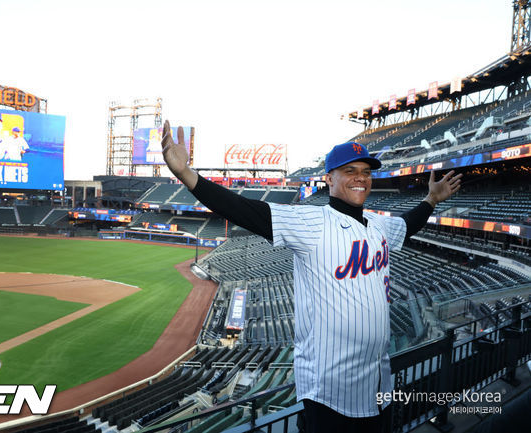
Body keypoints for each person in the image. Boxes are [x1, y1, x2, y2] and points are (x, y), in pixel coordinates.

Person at [160, 120, 461, 433]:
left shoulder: (379, 224)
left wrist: (431, 201)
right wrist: (187, 175)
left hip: (378, 384)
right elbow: (244, 210)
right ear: (329, 179)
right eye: (350, 171)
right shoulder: (313, 223)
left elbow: (408, 225)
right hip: (329, 392)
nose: (360, 178)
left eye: (366, 172)